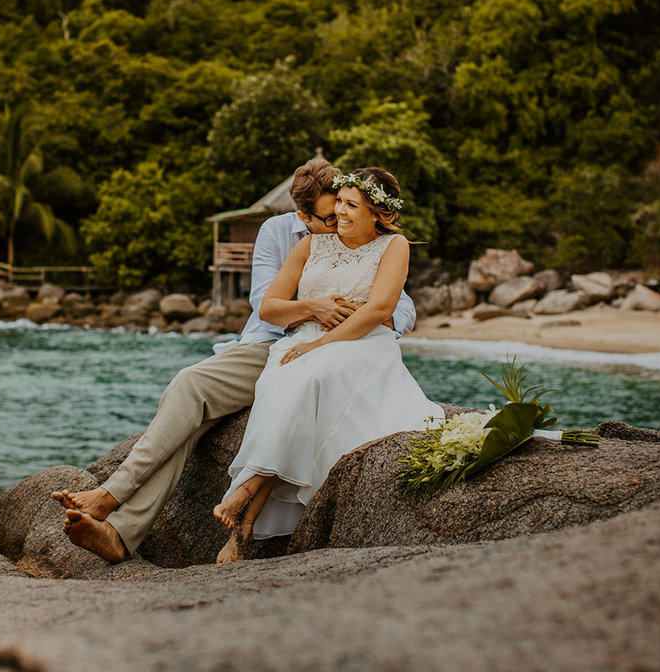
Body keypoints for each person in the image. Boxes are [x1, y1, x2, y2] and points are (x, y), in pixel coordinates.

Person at [52, 158, 418, 563]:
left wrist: (364, 317)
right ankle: (115, 516)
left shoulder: (378, 242)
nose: (338, 222)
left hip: (335, 351)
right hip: (271, 342)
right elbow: (266, 304)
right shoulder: (280, 233)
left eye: (346, 208)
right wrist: (313, 307)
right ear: (304, 215)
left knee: (206, 414)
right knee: (189, 388)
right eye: (329, 216)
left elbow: (398, 307)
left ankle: (115, 516)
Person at [212, 167, 444, 563]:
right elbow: (269, 307)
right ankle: (244, 528)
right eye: (339, 202)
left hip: (363, 344)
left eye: (351, 204)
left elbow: (380, 310)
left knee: (312, 378)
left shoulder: (395, 247)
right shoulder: (310, 246)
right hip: (304, 340)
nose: (340, 212)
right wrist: (310, 322)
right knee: (282, 384)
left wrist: (320, 343)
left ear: (376, 212)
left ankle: (246, 491)